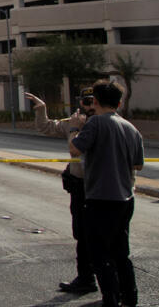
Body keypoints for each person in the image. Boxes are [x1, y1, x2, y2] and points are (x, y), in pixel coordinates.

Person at [69, 80, 144, 307]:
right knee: (121, 252)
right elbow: (138, 165)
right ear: (120, 102)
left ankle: (110, 298)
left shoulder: (95, 124)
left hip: (100, 198)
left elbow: (75, 149)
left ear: (96, 101)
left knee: (100, 254)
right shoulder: (131, 128)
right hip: (125, 198)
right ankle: (129, 296)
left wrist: (74, 127)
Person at [26, 90, 97, 295]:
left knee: (101, 237)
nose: (90, 106)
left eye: (94, 102)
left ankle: (113, 287)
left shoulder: (103, 124)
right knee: (82, 236)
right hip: (80, 187)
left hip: (100, 187)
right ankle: (86, 278)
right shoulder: (73, 122)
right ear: (81, 103)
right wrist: (42, 109)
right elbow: (46, 127)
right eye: (86, 102)